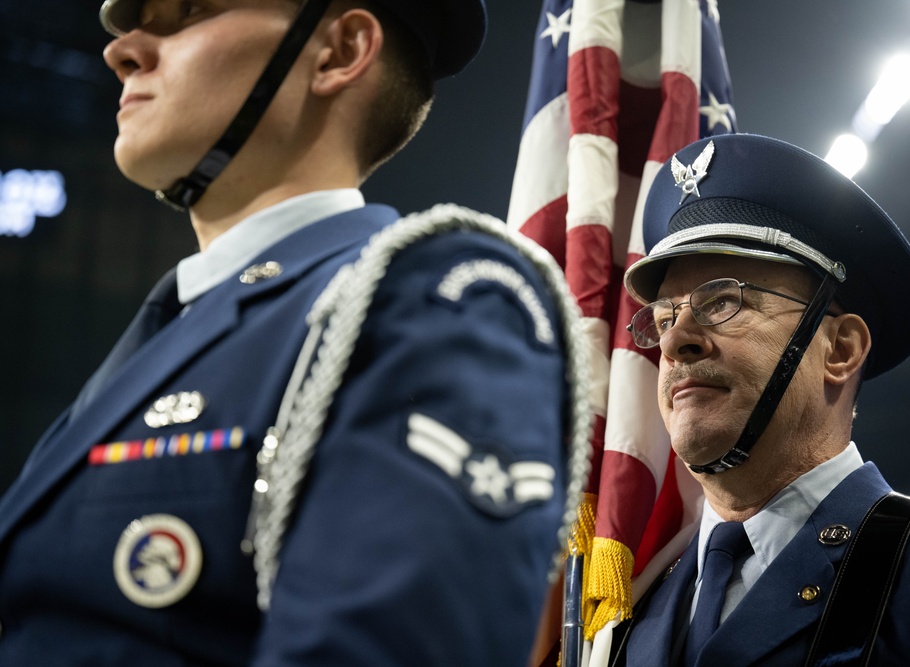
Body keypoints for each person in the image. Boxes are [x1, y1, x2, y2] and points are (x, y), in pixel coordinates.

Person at [0, 0, 589, 664]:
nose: (123, 48)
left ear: (339, 51)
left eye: (187, 11)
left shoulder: (436, 301)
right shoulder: (172, 327)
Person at [608, 133, 910, 666]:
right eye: (663, 319)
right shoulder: (632, 613)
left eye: (723, 300)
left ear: (840, 349)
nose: (676, 341)